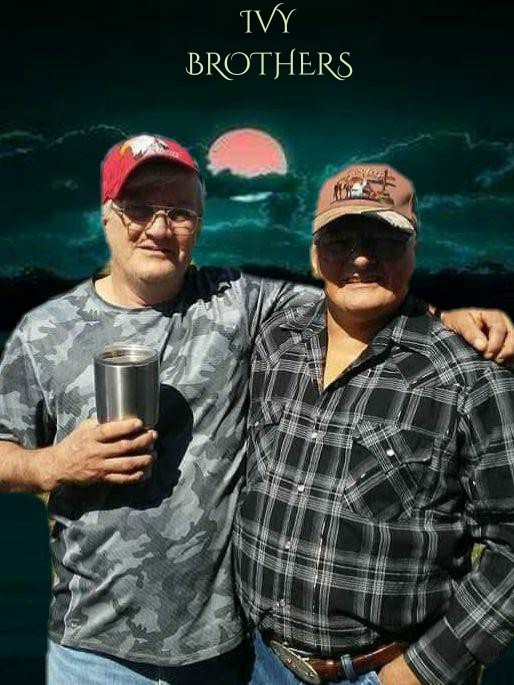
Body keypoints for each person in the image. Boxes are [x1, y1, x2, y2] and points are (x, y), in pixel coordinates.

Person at [0, 139, 511, 685]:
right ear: (106, 215)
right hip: (92, 656)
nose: (158, 227)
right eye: (138, 209)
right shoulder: (42, 331)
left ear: (198, 224)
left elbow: (356, 294)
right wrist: (52, 464)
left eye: (178, 212)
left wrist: (449, 319)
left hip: (224, 656)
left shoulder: (242, 304)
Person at [233, 163, 514, 685]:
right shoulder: (275, 343)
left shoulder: (470, 377)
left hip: (381, 673)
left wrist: (425, 669)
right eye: (340, 241)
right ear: (314, 255)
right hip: (260, 663)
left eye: (384, 240)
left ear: (414, 249)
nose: (360, 257)